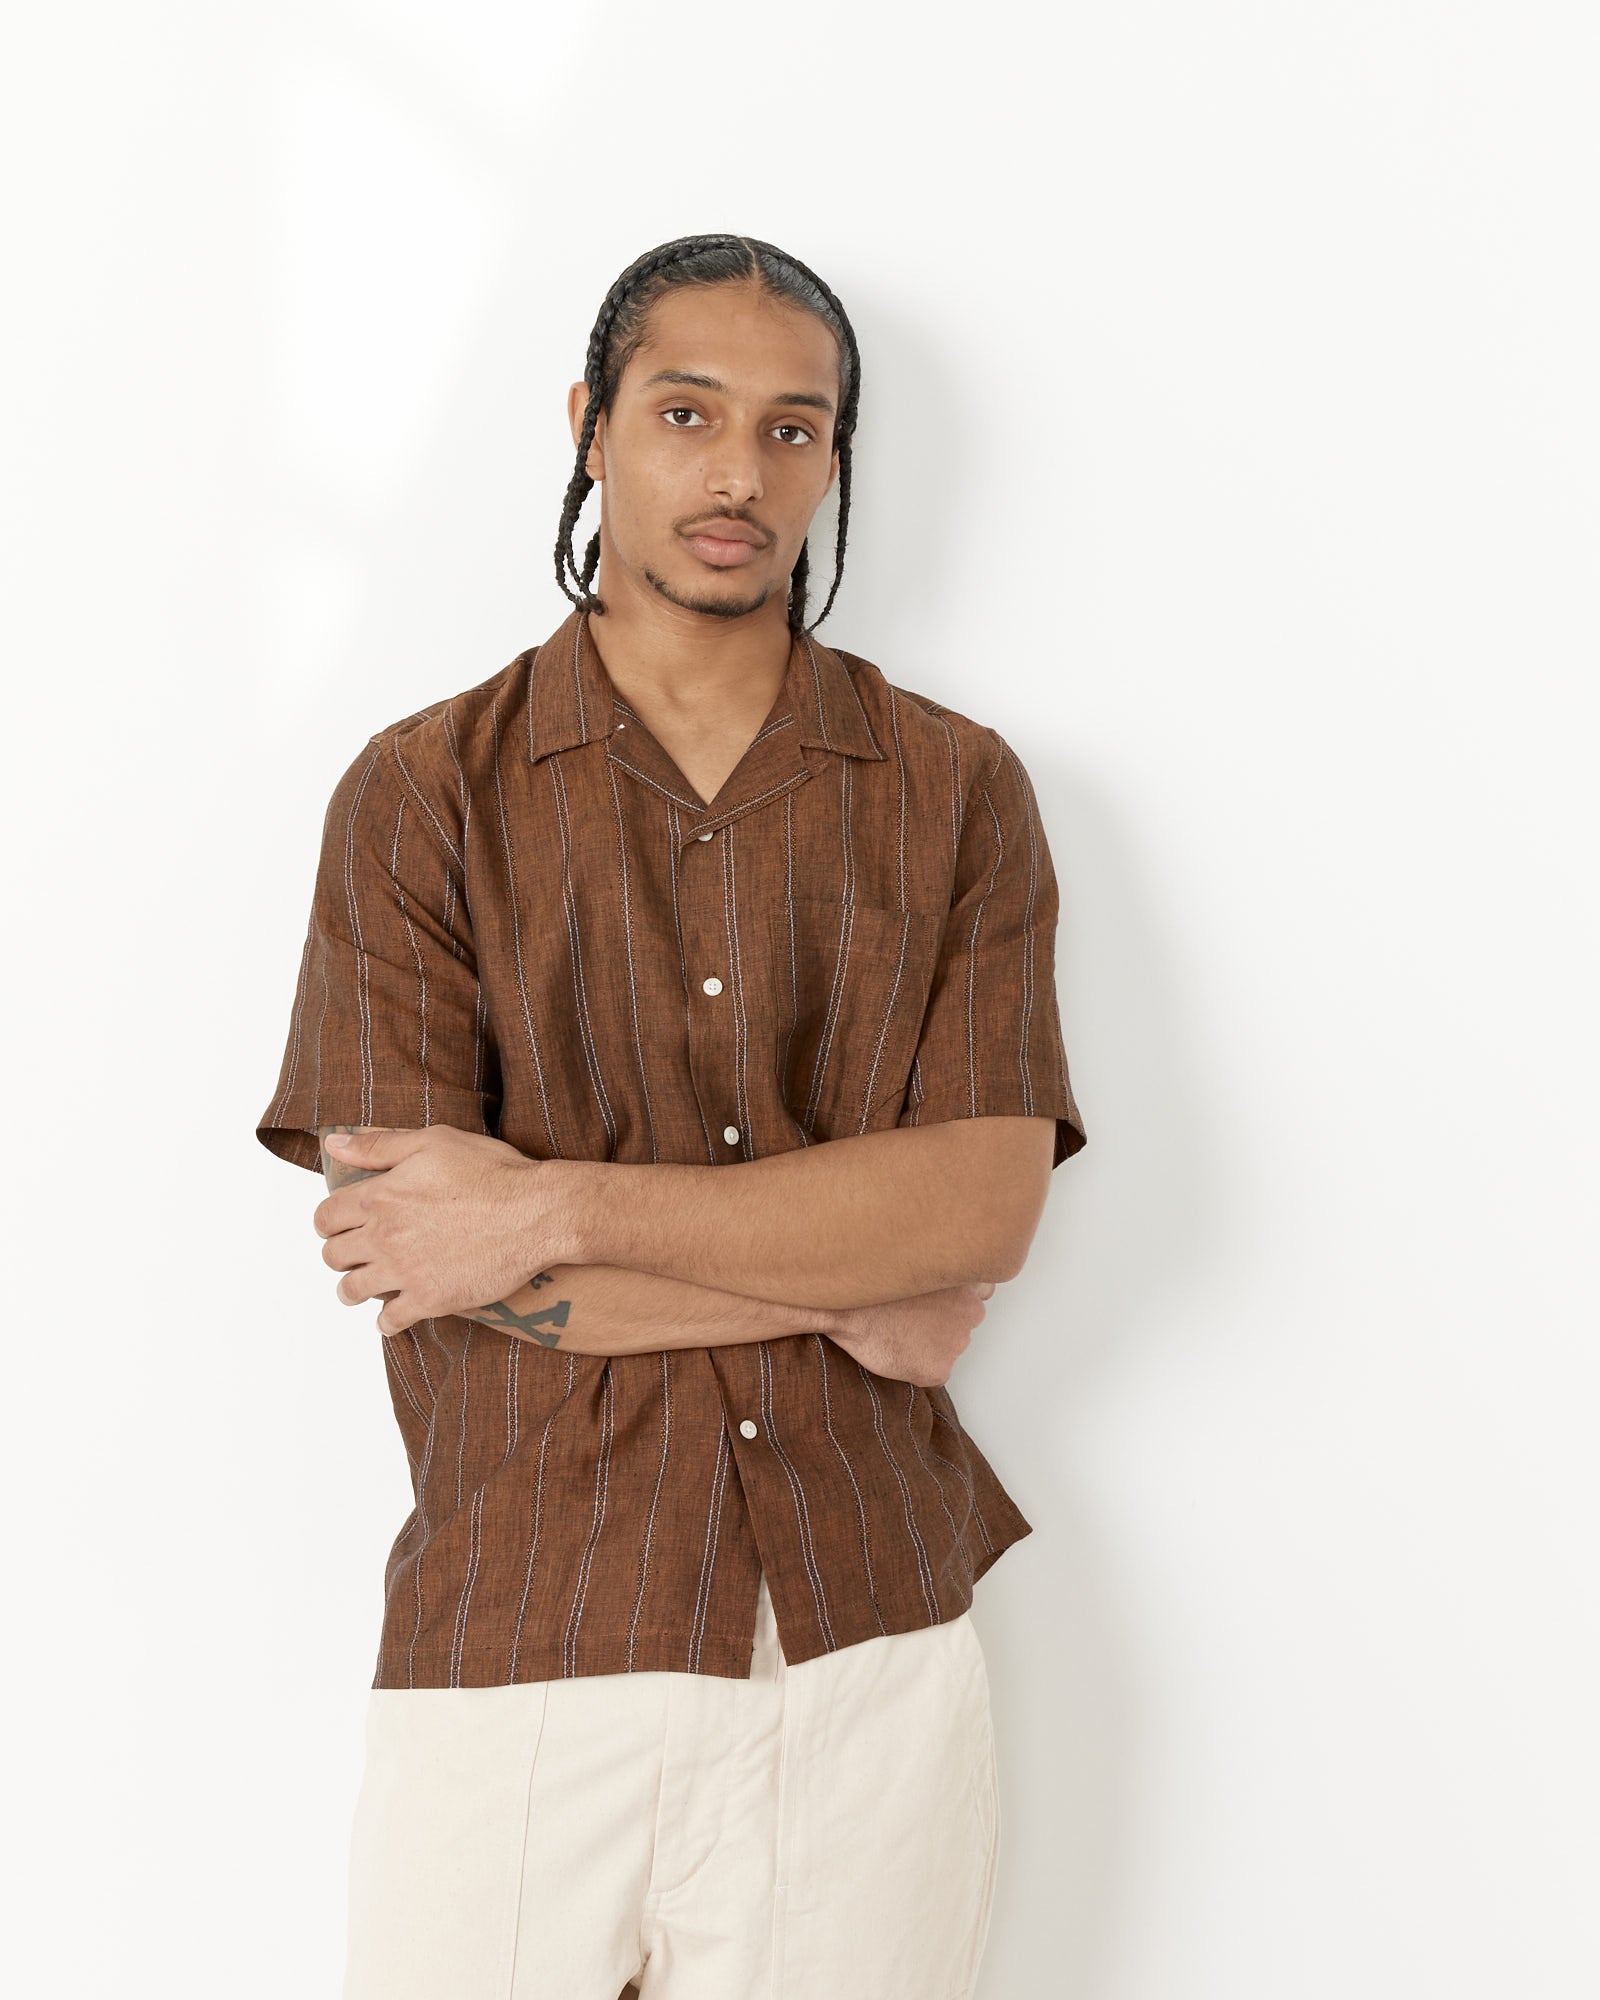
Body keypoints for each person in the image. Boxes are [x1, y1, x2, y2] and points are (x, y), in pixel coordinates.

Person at [256, 231, 1088, 2000]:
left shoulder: (958, 791)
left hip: (869, 1642)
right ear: (591, 423)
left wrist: (546, 1208)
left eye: (794, 429)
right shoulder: (420, 796)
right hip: (529, 1622)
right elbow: (418, 1247)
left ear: (836, 460)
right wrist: (860, 1281)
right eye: (688, 413)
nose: (740, 474)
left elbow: (983, 1212)